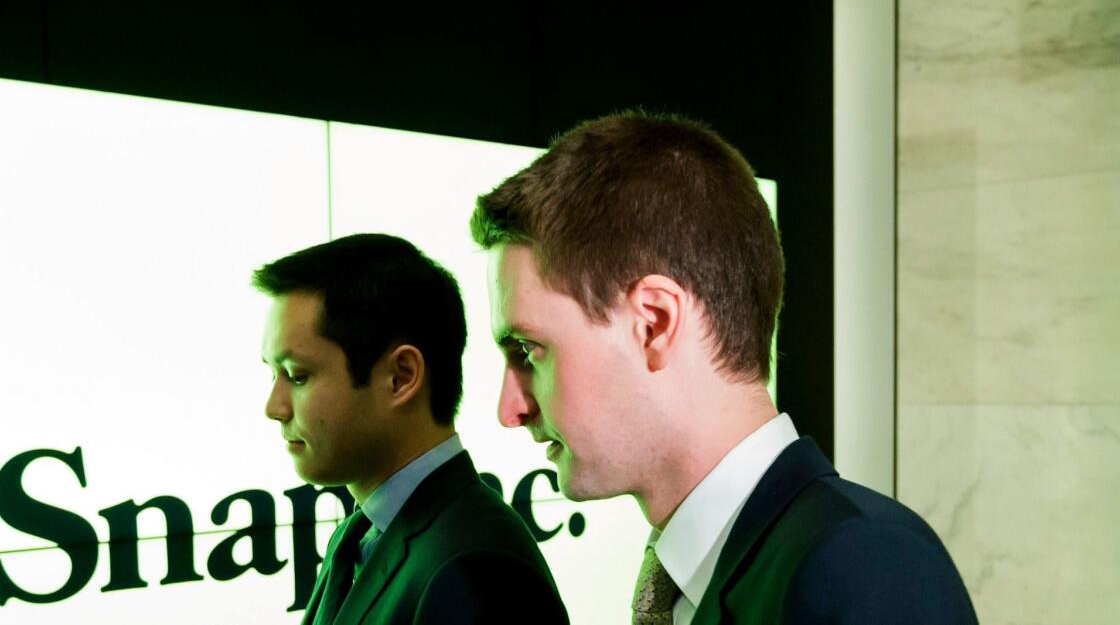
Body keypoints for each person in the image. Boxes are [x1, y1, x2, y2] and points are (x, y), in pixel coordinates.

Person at [471, 112, 978, 624]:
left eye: (528, 349)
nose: (509, 409)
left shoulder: (866, 568)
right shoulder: (717, 572)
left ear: (654, 323)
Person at [254, 233, 569, 625]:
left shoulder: (476, 568)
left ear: (401, 377)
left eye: (297, 376)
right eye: (272, 374)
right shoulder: (361, 533)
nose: (274, 407)